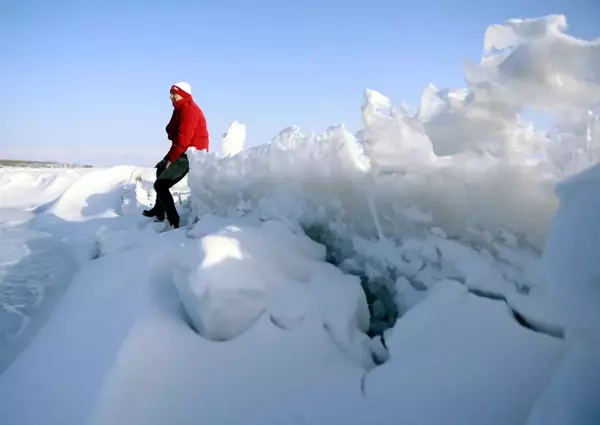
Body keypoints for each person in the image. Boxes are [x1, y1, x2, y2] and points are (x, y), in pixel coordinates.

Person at [142, 82, 209, 228]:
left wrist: (171, 159)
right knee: (160, 168)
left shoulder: (189, 110)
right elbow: (174, 134)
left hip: (190, 154)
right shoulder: (180, 109)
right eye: (170, 93)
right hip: (184, 150)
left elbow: (183, 139)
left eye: (174, 93)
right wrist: (167, 159)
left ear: (183, 94)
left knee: (160, 185)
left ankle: (173, 221)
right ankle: (159, 211)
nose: (170, 96)